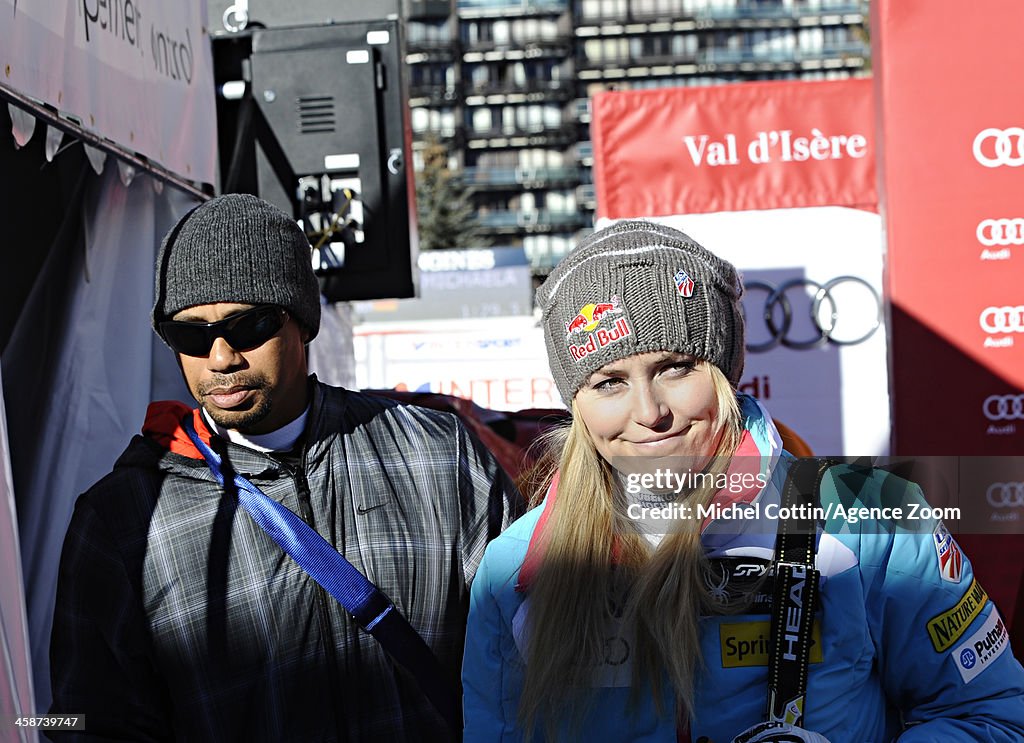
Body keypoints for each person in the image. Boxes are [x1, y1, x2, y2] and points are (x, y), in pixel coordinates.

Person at [462, 220, 1024, 742]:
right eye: (608, 382)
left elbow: (992, 715)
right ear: (575, 400)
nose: (649, 411)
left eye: (674, 367)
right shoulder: (516, 568)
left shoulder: (870, 513)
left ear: (728, 370)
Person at [48, 193, 524, 741]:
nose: (221, 357)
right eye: (190, 335)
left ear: (303, 322)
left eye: (248, 326)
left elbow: (531, 663)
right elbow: (85, 722)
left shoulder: (436, 455)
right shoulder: (123, 520)